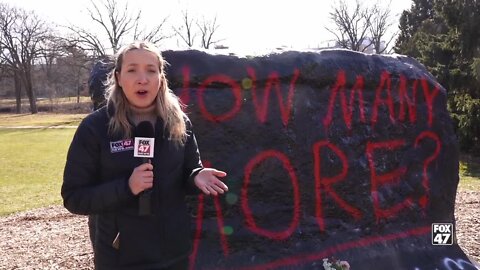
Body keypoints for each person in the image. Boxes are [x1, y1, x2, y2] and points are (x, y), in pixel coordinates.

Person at [62, 41, 228, 270]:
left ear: (161, 78)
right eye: (132, 70)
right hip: (120, 257)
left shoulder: (179, 123)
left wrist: (196, 176)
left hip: (173, 253)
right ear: (119, 78)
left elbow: (189, 170)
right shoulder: (95, 128)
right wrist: (127, 187)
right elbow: (74, 197)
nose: (143, 78)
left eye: (151, 70)